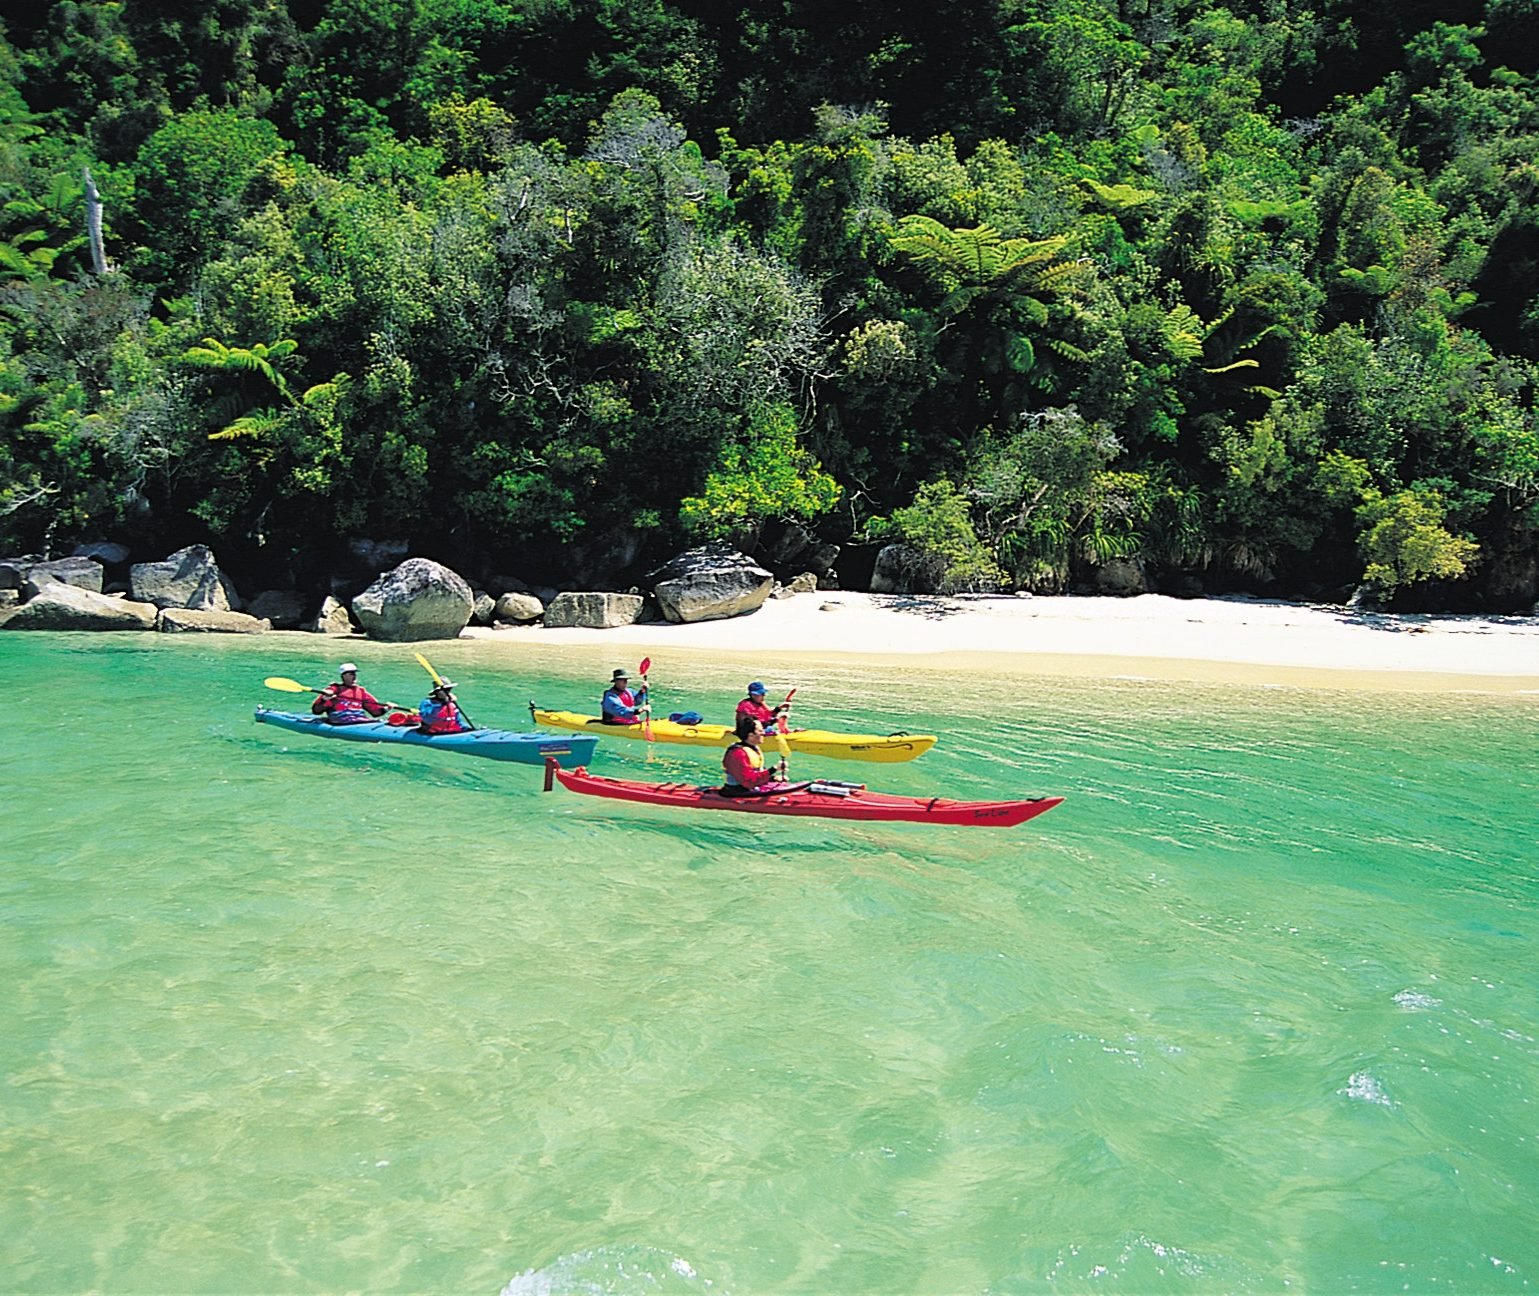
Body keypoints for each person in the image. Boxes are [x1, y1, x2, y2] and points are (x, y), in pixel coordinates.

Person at [720, 714, 788, 796]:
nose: (764, 733)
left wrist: (772, 778)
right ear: (751, 735)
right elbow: (748, 782)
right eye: (760, 731)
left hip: (750, 788)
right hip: (737, 792)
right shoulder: (738, 754)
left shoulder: (753, 748)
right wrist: (774, 769)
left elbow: (756, 774)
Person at [311, 662, 387, 724]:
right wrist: (324, 699)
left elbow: (375, 712)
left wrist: (386, 708)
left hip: (359, 720)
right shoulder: (334, 690)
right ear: (343, 676)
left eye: (354, 673)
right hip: (339, 720)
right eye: (351, 674)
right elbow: (316, 711)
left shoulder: (361, 691)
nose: (354, 676)